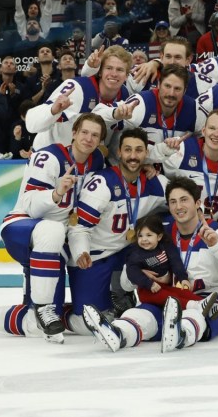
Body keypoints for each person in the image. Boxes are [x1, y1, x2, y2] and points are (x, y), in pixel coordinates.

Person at [0, 113, 108, 342]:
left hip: (54, 242)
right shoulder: (50, 157)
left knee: (36, 326)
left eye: (95, 135)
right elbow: (30, 205)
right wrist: (56, 193)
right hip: (22, 227)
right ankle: (45, 307)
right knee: (51, 230)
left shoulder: (96, 162)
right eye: (84, 132)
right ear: (73, 133)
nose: (88, 138)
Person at [82, 177, 218, 353]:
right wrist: (139, 276)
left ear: (197, 203)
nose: (179, 207)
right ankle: (118, 334)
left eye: (184, 200)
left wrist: (217, 245)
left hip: (204, 301)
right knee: (138, 315)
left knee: (193, 317)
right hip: (163, 298)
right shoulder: (156, 234)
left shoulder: (217, 232)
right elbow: (126, 283)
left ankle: (180, 333)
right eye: (173, 202)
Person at [67, 128, 170, 333]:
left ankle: (128, 294)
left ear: (146, 154)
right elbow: (79, 226)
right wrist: (81, 252)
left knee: (172, 226)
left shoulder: (155, 182)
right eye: (128, 150)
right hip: (96, 255)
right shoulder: (102, 182)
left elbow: (182, 204)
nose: (133, 156)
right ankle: (61, 312)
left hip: (127, 252)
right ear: (119, 153)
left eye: (139, 150)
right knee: (89, 324)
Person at [26, 45, 131, 152]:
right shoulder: (77, 88)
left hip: (82, 160)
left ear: (127, 75)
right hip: (49, 156)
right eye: (109, 68)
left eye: (120, 70)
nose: (114, 74)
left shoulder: (124, 95)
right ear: (100, 71)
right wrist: (52, 110)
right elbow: (32, 123)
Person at [125, 215, 218, 312]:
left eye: (149, 235)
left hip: (166, 286)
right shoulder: (136, 254)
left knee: (182, 293)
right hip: (148, 290)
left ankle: (209, 306)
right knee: (172, 298)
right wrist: (148, 283)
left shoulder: (165, 245)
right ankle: (195, 306)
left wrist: (183, 278)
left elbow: (175, 260)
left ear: (159, 236)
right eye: (140, 236)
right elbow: (132, 272)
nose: (144, 239)